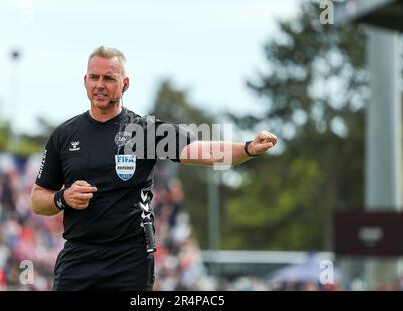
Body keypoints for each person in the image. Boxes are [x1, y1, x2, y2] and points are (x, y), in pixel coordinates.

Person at [30, 46, 277, 291]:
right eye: (94, 77)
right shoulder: (64, 135)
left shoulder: (144, 131)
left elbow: (201, 149)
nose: (100, 85)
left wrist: (247, 148)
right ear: (85, 81)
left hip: (128, 261)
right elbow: (37, 200)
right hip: (78, 258)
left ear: (125, 84)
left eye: (109, 78)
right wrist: (63, 197)